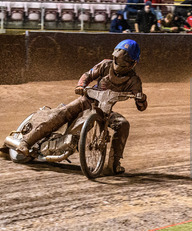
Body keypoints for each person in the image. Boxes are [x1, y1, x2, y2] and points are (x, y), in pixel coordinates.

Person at [17, 39, 148, 175]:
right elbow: (87, 75)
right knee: (63, 113)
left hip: (105, 111)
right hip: (86, 101)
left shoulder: (134, 80)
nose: (119, 63)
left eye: (124, 60)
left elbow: (141, 106)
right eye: (119, 58)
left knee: (123, 124)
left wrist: (141, 98)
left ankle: (114, 163)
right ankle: (26, 141)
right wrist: (81, 86)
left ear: (132, 63)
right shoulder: (105, 65)